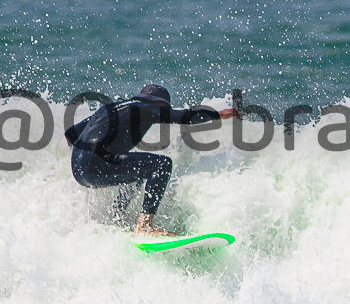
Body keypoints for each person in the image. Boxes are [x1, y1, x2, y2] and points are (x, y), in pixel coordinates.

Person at [64, 84, 238, 237]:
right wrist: (217, 114)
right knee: (161, 164)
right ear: (160, 104)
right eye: (164, 109)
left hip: (79, 171)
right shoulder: (146, 108)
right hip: (96, 165)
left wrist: (87, 158)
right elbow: (184, 117)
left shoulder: (110, 108)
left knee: (138, 174)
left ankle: (115, 219)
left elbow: (71, 134)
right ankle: (145, 227)